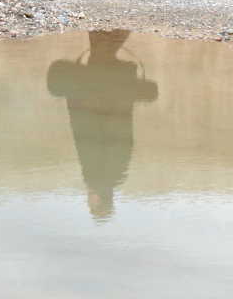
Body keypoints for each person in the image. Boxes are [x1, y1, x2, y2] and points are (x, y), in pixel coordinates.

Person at [46, 30, 159, 220]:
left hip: (102, 103)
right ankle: (108, 32)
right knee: (103, 47)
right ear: (98, 199)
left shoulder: (109, 176)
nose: (88, 200)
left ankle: (106, 31)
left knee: (102, 46)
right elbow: (95, 140)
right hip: (101, 103)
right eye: (92, 203)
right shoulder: (100, 177)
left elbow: (101, 140)